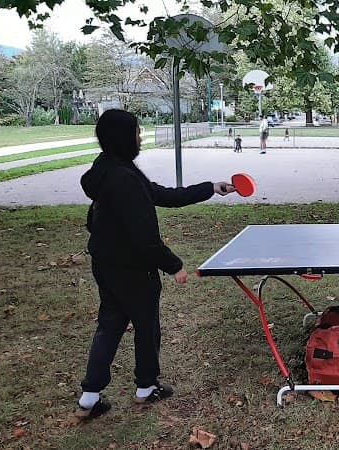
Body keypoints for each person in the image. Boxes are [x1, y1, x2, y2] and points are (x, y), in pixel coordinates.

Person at [75, 109, 235, 420]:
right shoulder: (125, 179)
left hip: (105, 264)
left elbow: (161, 195)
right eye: (137, 131)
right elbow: (145, 238)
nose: (141, 136)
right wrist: (173, 265)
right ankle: (146, 388)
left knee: (109, 325)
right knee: (147, 327)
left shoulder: (109, 168)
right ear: (124, 137)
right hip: (133, 269)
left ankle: (89, 397)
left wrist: (210, 188)